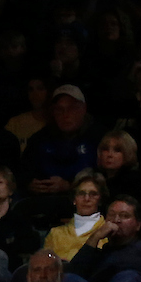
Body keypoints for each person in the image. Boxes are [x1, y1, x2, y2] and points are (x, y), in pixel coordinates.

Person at [21, 85, 100, 222]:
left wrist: (70, 186)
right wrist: (29, 183)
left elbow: (105, 179)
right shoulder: (39, 139)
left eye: (72, 108)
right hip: (42, 204)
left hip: (84, 206)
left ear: (83, 109)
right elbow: (22, 171)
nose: (65, 115)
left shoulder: (98, 137)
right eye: (59, 109)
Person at [43, 169, 108, 262]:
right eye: (81, 193)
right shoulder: (55, 234)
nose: (87, 199)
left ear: (100, 199)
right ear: (74, 198)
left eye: (93, 194)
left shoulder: (107, 232)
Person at [5, 76, 51, 154]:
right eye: (31, 89)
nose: (35, 94)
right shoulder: (15, 123)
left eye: (40, 88)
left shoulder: (58, 122)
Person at [96, 130, 141, 202]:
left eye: (117, 150)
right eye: (105, 149)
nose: (109, 155)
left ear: (128, 153)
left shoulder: (134, 183)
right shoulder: (95, 180)